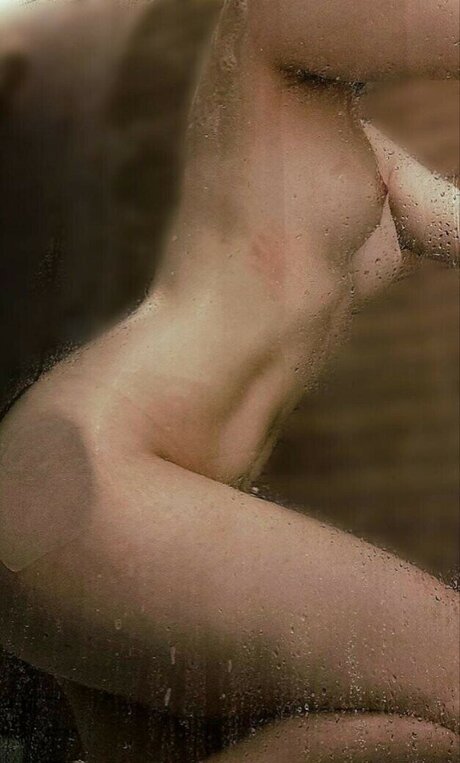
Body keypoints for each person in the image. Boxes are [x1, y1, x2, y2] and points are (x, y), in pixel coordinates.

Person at [0, 0, 459, 760]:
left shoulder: (355, 153)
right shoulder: (268, 25)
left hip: (136, 500)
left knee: (418, 732)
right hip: (101, 474)